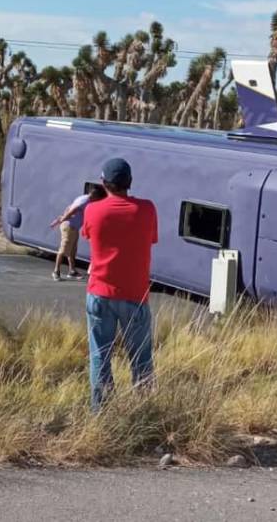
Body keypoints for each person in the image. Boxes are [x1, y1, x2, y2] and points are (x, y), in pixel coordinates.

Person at [81, 158, 158, 411]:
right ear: (130, 182)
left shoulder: (93, 210)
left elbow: (87, 235)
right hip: (135, 294)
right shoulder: (147, 209)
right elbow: (152, 239)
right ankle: (144, 412)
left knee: (100, 356)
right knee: (141, 358)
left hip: (100, 292)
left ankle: (101, 414)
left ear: (104, 183)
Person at [50, 186, 105, 280]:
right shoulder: (85, 201)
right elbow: (72, 210)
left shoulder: (84, 198)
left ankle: (72, 271)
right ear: (95, 196)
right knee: (63, 249)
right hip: (69, 226)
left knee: (72, 251)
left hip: (74, 227)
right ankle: (56, 271)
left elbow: (69, 207)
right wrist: (62, 219)